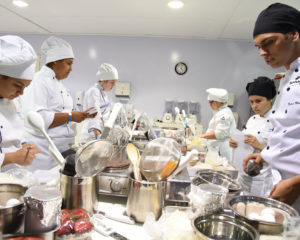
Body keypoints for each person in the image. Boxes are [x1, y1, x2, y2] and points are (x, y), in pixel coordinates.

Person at [243, 3, 300, 212]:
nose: (262, 52)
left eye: (268, 43)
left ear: (293, 35)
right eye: (258, 46)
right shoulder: (287, 77)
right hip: (280, 183)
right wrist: (265, 154)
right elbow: (290, 132)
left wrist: (296, 183)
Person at [21, 36, 96, 171]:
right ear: (55, 62)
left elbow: (62, 114)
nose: (71, 68)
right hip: (45, 154)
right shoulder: (38, 81)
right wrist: (71, 116)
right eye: (69, 63)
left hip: (62, 149)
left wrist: (82, 115)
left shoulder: (58, 84)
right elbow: (39, 119)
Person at [230, 77, 281, 197]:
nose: (254, 106)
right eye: (251, 102)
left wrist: (260, 146)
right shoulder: (252, 119)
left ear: (270, 99)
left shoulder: (278, 121)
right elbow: (243, 141)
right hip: (244, 173)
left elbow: (283, 153)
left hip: (263, 178)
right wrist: (234, 142)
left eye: (258, 101)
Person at [0, 35, 41, 170]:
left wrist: (24, 144)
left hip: (11, 177)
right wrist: (11, 157)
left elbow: (12, 132)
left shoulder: (10, 101)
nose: (21, 93)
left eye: (25, 86)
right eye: (18, 85)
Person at [80, 63, 118, 142]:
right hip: (91, 136)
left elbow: (104, 115)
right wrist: (98, 136)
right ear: (104, 80)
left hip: (98, 134)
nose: (114, 85)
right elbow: (94, 116)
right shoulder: (94, 92)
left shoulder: (103, 94)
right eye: (112, 82)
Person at [199, 88, 236, 161]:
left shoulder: (224, 114)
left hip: (221, 150)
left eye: (210, 102)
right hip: (218, 148)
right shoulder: (221, 112)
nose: (210, 105)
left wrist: (202, 136)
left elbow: (219, 133)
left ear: (218, 102)